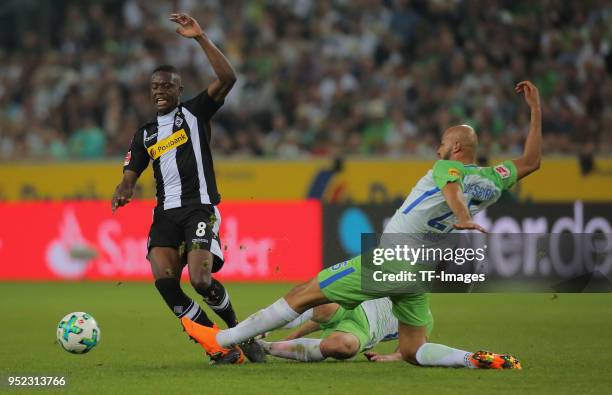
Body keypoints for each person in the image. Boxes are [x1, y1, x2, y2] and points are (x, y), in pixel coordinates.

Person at [180, 80, 541, 369]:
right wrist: (535, 109)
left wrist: (462, 218)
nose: (437, 149)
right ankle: (471, 359)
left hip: (394, 257)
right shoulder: (493, 179)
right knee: (414, 349)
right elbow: (531, 161)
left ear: (456, 146)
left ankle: (223, 339)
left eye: (443, 144)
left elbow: (451, 190)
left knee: (304, 294)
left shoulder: (447, 169)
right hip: (421, 268)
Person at [111, 13, 263, 364]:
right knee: (165, 282)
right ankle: (216, 344)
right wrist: (123, 188)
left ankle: (239, 330)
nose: (160, 91)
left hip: (198, 208)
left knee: (200, 279)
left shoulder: (195, 113)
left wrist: (200, 38)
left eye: (167, 85)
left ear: (179, 90)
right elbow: (131, 173)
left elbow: (228, 77)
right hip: (165, 214)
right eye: (155, 87)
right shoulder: (145, 133)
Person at [257, 298, 400, 362]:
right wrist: (294, 335)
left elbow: (415, 346)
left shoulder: (420, 311)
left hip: (363, 329)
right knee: (320, 303)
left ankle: (264, 348)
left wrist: (391, 357)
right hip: (350, 306)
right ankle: (254, 332)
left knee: (344, 345)